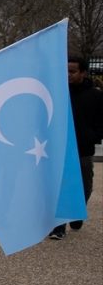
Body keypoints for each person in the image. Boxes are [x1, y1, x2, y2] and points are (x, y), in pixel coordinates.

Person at [49, 56, 103, 240]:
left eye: (72, 71)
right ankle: (58, 227)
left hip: (83, 150)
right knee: (61, 187)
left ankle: (77, 211)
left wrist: (94, 136)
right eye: (65, 71)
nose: (68, 75)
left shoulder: (95, 95)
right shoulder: (58, 93)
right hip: (60, 150)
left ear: (83, 73)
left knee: (84, 187)